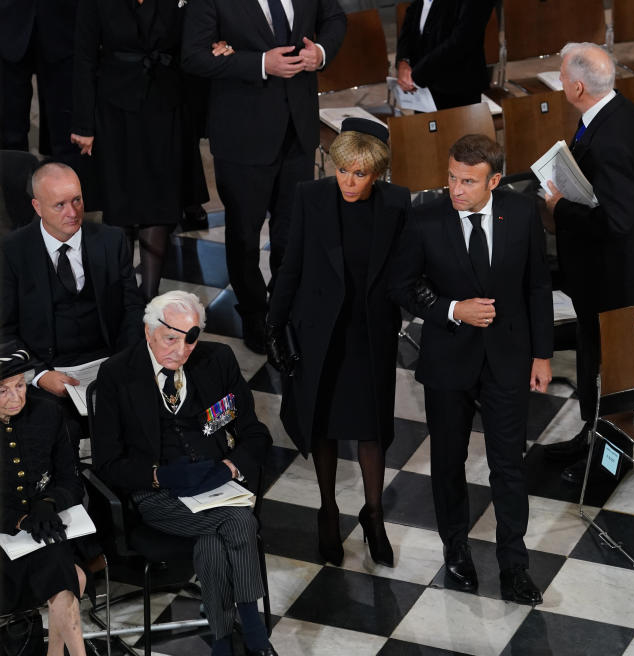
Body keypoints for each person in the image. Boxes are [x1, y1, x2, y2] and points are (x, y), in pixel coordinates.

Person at [390, 134, 553, 605]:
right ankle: (455, 550)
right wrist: (453, 309)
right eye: (451, 178)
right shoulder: (425, 218)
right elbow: (402, 285)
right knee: (447, 462)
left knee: (508, 466)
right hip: (448, 361)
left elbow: (537, 286)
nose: (456, 189)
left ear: (495, 180)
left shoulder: (521, 214)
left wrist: (541, 354)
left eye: (468, 181)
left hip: (508, 358)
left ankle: (514, 565)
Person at [92, 291, 275, 656]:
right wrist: (162, 476)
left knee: (215, 537)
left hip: (215, 486)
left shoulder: (217, 361)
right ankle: (254, 634)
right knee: (240, 523)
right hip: (156, 494)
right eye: (170, 338)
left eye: (189, 339)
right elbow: (107, 465)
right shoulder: (117, 374)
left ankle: (222, 642)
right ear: (148, 332)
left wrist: (229, 466)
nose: (180, 350)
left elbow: (256, 433)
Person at [266, 119, 410, 568]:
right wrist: (274, 326)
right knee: (323, 427)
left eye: (360, 174)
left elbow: (406, 273)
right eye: (343, 170)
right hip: (319, 334)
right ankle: (327, 511)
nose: (348, 181)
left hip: (370, 336)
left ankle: (373, 515)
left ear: (378, 174)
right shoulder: (311, 198)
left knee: (371, 431)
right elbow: (290, 266)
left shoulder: (396, 204)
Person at [181, 0, 346, 353]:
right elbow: (193, 55)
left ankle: (283, 309)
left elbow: (333, 17)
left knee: (292, 231)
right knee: (244, 234)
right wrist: (259, 63)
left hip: (298, 129)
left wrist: (320, 50)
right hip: (243, 135)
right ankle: (255, 314)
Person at [543, 42, 634, 484]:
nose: (558, 79)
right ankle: (590, 434)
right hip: (597, 273)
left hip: (611, 278)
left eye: (560, 73)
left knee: (613, 369)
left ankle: (611, 459)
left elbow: (618, 219)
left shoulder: (608, 136)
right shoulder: (618, 110)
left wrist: (558, 205)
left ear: (576, 86)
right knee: (591, 360)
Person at [70, 0, 210, 300]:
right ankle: (120, 297)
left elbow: (198, 34)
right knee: (119, 205)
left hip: (167, 107)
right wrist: (83, 124)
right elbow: (83, 57)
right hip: (113, 111)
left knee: (158, 204)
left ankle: (149, 297)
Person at [0, 162, 144, 442]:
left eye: (77, 200)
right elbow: (4, 329)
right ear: (37, 207)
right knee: (57, 433)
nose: (72, 212)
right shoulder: (12, 251)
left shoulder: (111, 240)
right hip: (48, 366)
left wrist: (122, 363)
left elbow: (132, 309)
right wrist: (40, 375)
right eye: (60, 205)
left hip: (109, 358)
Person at [0, 346, 95, 656]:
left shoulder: (46, 412)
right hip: (5, 540)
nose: (15, 397)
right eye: (2, 390)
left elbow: (70, 477)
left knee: (64, 569)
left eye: (19, 385)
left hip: (44, 529)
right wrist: (19, 520)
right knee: (70, 575)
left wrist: (49, 502)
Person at [0, 0, 78, 156]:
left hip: (65, 25)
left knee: (65, 130)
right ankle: (13, 178)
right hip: (8, 22)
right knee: (9, 131)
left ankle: (61, 178)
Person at [395, 0, 493, 110]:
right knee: (424, 126)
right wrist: (403, 60)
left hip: (458, 88)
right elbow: (411, 20)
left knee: (458, 127)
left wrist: (417, 75)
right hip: (423, 88)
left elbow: (462, 42)